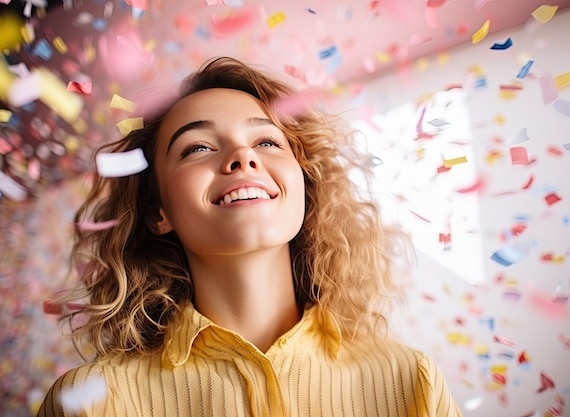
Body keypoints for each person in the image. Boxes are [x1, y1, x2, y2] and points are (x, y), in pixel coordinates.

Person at [38, 57, 463, 416]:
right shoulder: (89, 403)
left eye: (266, 141)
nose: (242, 157)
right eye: (199, 148)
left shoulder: (411, 382)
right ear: (157, 212)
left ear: (304, 184)